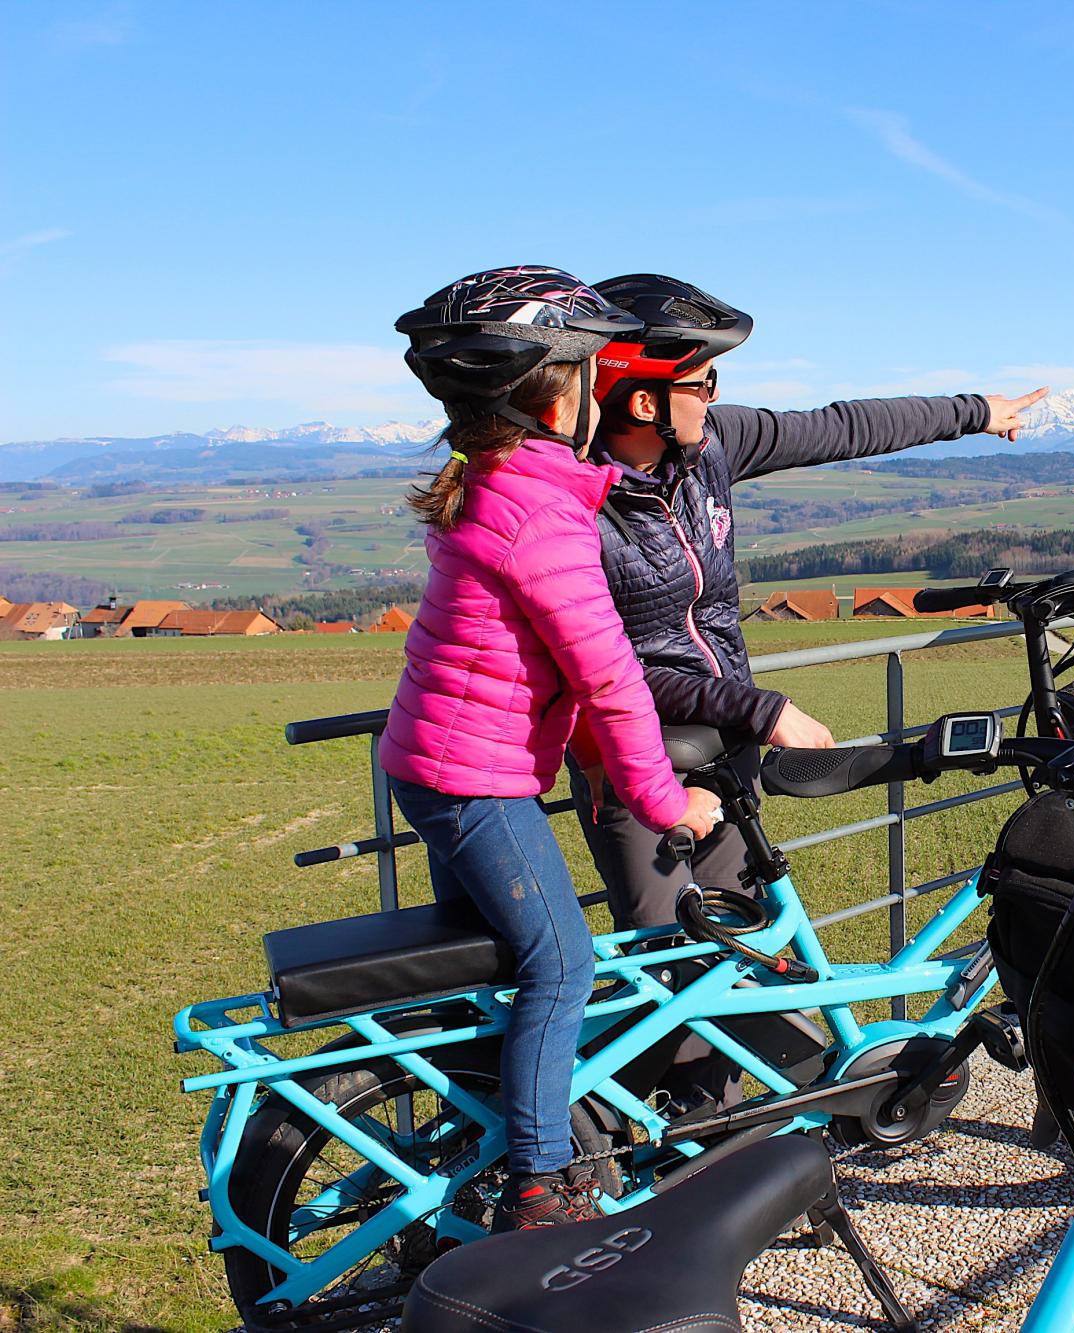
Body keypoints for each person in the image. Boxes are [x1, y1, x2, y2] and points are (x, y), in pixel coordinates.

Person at [380, 266, 723, 1231]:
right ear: (559, 393)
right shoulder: (539, 516)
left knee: (500, 962)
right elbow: (611, 682)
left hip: (440, 765)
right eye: (588, 371)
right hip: (475, 781)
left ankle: (491, 1133)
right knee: (562, 962)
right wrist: (668, 805)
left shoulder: (502, 485)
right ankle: (540, 1185)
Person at [567, 271, 1047, 932]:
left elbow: (839, 428)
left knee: (745, 953)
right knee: (668, 959)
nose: (713, 398)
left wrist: (976, 412)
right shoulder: (572, 507)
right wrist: (761, 708)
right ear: (644, 402)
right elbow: (605, 670)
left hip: (726, 752)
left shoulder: (708, 449)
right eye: (703, 382)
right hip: (633, 765)